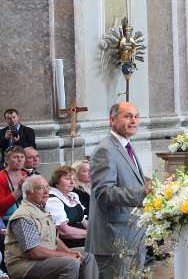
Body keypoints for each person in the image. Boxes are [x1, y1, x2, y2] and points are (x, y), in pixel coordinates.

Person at [86, 102, 150, 279]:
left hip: (132, 235)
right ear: (112, 120)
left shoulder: (126, 146)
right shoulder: (105, 150)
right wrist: (144, 192)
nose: (134, 121)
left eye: (136, 116)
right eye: (128, 116)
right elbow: (104, 193)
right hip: (114, 238)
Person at [4, 175, 97, 279]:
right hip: (25, 264)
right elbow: (34, 252)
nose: (46, 191)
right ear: (28, 193)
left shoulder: (43, 210)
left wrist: (69, 252)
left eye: (47, 187)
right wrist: (66, 255)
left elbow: (55, 240)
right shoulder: (23, 216)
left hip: (45, 257)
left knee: (88, 253)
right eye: (40, 188)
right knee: (71, 263)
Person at [47, 167, 87, 249]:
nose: (72, 182)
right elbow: (63, 231)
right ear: (57, 182)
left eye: (74, 179)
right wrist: (90, 234)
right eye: (68, 179)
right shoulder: (53, 199)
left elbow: (83, 221)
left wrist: (98, 233)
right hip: (68, 244)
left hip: (82, 238)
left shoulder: (73, 196)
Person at [0, 147, 28, 223]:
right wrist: (18, 191)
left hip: (26, 216)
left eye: (22, 157)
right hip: (6, 219)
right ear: (6, 160)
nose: (19, 160)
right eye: (15, 157)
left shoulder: (26, 175)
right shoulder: (1, 177)